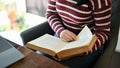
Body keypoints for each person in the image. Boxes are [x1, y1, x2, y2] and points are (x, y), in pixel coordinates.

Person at [45, 0, 112, 68]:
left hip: (89, 44)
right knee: (40, 58)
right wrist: (60, 31)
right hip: (63, 36)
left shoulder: (100, 1)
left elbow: (103, 32)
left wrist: (81, 51)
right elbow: (51, 14)